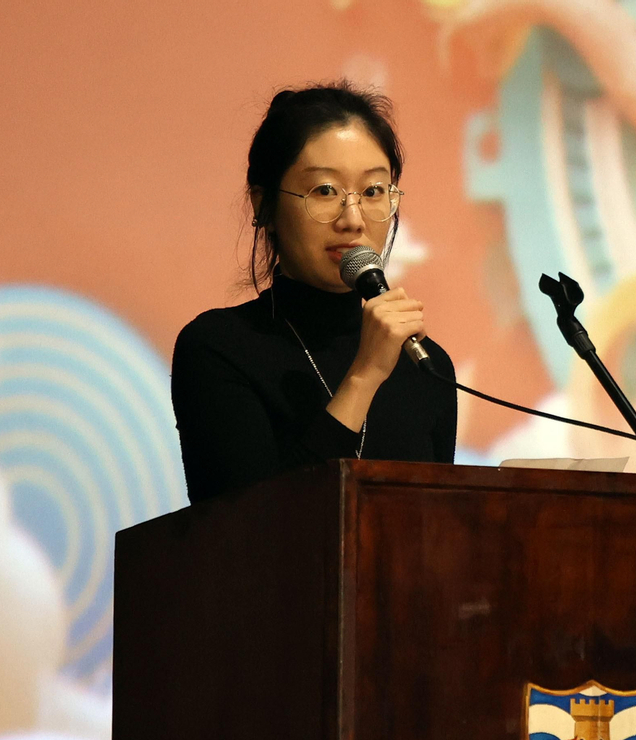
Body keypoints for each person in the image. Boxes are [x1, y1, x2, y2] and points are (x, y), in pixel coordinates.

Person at [172, 83, 456, 503]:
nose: (353, 219)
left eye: (373, 191)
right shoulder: (218, 348)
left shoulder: (427, 367)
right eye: (325, 191)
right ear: (263, 205)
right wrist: (363, 377)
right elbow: (250, 524)